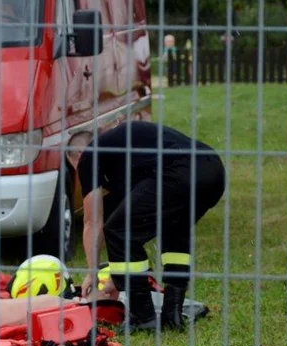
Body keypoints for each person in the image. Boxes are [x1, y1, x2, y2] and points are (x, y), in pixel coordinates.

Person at [65, 120, 226, 332]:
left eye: (76, 169)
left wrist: (92, 273)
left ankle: (143, 316)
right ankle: (172, 311)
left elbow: (92, 221)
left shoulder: (89, 155)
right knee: (175, 226)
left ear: (78, 155)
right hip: (213, 170)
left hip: (180, 170)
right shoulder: (123, 155)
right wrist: (117, 275)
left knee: (118, 230)